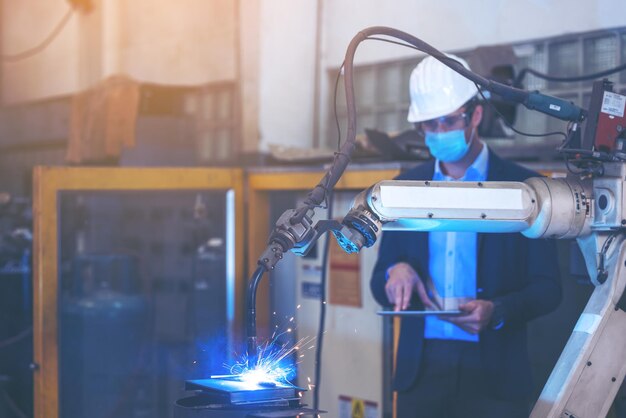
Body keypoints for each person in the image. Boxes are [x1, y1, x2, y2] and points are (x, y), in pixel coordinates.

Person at [370, 54, 562, 418]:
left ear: (475, 116)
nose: (439, 132)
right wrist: (395, 274)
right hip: (422, 373)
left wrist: (498, 311)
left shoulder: (525, 189)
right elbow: (378, 285)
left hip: (495, 377)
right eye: (429, 124)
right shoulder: (403, 188)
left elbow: (549, 288)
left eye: (448, 120)